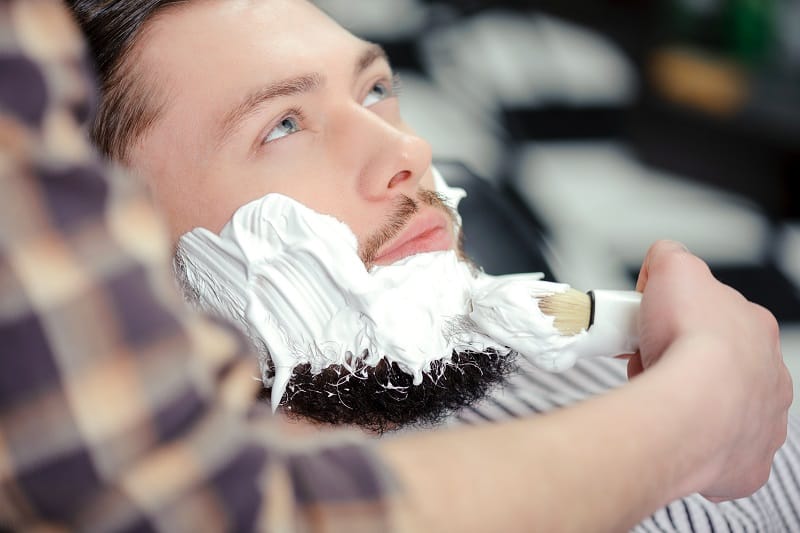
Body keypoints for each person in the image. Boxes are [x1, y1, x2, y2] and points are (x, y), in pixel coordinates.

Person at [0, 0, 794, 531]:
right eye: (283, 126)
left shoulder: (636, 380)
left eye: (376, 88)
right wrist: (690, 423)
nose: (410, 149)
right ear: (115, 256)